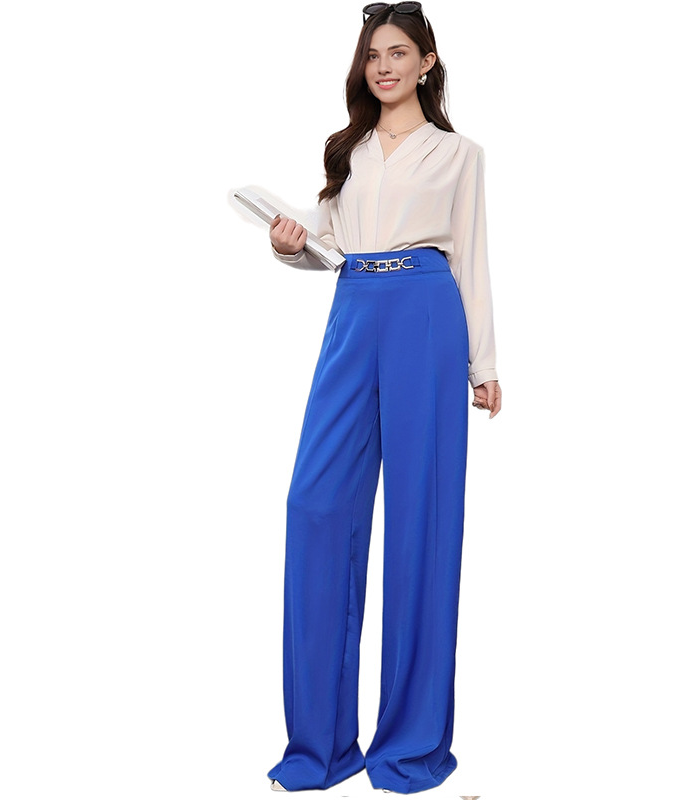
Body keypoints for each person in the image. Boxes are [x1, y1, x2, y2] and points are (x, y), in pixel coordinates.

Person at [265, 2, 502, 794]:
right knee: (315, 504)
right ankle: (322, 747)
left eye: (399, 53)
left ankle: (409, 746)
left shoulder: (459, 154)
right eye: (374, 55)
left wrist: (483, 362)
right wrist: (289, 243)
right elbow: (326, 244)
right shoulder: (350, 149)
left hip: (427, 315)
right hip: (354, 309)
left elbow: (472, 257)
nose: (385, 67)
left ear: (427, 62)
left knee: (421, 521)